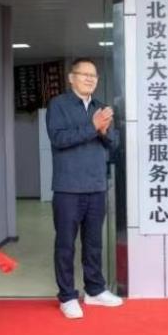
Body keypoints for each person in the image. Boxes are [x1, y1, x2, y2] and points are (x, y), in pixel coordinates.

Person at [46, 57, 123, 319]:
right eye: (84, 74)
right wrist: (93, 126)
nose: (90, 79)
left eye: (94, 75)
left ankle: (95, 290)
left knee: (94, 244)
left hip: (96, 186)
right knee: (65, 245)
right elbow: (59, 138)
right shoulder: (58, 105)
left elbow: (114, 144)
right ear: (71, 78)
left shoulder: (101, 107)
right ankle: (67, 296)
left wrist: (103, 130)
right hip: (68, 188)